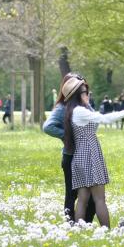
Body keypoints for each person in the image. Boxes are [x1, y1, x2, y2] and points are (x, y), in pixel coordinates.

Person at [62, 76, 124, 227]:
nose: (87, 94)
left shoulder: (76, 110)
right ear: (77, 95)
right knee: (99, 198)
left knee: (82, 198)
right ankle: (106, 232)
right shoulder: (80, 112)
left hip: (81, 157)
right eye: (84, 92)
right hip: (89, 155)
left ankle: (79, 231)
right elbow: (104, 119)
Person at [43, 73, 96, 223]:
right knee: (72, 195)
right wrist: (68, 136)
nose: (83, 91)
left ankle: (86, 224)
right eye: (80, 88)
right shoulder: (62, 107)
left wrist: (86, 102)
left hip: (86, 156)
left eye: (84, 88)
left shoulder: (82, 105)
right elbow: (48, 127)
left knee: (92, 196)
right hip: (71, 157)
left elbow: (94, 122)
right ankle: (70, 225)